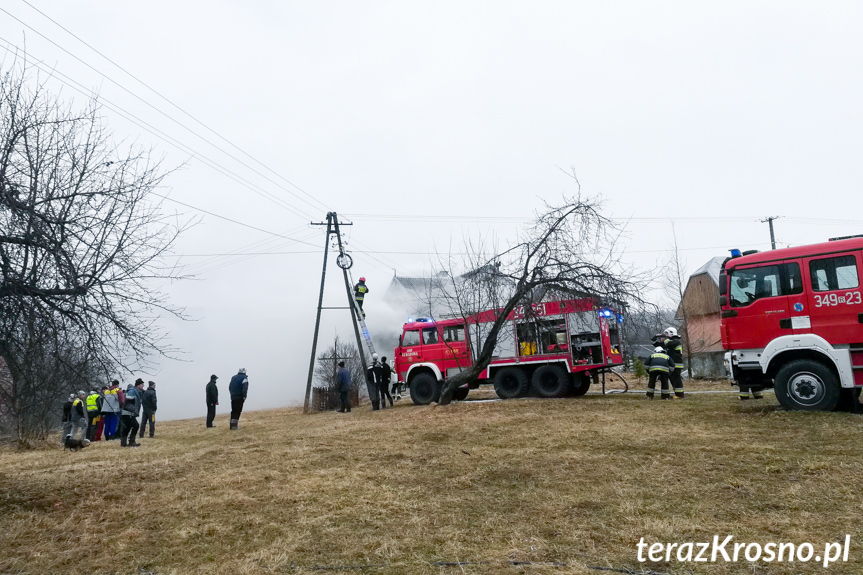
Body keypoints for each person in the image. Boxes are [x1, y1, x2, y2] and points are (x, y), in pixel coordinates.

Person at [119, 379, 144, 447]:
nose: (143, 386)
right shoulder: (132, 391)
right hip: (128, 412)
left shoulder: (137, 392)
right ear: (138, 385)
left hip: (129, 412)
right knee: (135, 426)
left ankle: (124, 443)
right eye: (142, 384)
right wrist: (132, 409)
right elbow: (128, 401)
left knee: (127, 427)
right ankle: (131, 442)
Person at [663, 327, 685, 398]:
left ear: (671, 333)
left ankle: (679, 394)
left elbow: (668, 344)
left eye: (667, 333)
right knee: (673, 379)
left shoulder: (675, 341)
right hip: (673, 364)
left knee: (676, 379)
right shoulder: (673, 341)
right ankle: (678, 393)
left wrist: (665, 340)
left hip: (676, 364)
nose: (666, 335)